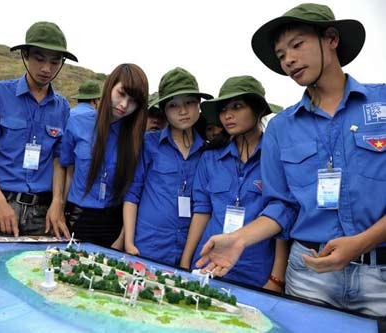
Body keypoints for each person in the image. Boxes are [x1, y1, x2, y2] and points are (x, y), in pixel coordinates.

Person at [196, 3, 386, 316]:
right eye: (281, 55)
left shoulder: (380, 104)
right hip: (309, 276)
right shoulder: (281, 129)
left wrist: (363, 242)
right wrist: (238, 239)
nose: (289, 60)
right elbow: (281, 206)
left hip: (379, 277)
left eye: (297, 45)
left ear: (332, 39)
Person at [180, 76, 288, 291]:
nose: (227, 116)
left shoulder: (278, 156)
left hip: (256, 271)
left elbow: (283, 217)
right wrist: (185, 262)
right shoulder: (210, 158)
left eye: (237, 107)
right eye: (223, 110)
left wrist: (277, 278)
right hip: (207, 264)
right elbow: (202, 211)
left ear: (258, 110)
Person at [0, 21, 77, 237]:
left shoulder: (62, 107)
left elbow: (59, 159)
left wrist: (58, 202)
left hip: (42, 213)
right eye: (39, 59)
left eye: (55, 62)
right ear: (26, 55)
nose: (47, 69)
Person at [124, 67, 212, 266]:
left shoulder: (208, 153)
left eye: (189, 102)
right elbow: (132, 194)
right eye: (173, 105)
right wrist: (129, 242)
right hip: (148, 245)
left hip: (188, 248)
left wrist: (187, 259)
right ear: (164, 110)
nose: (182, 111)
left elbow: (204, 206)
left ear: (199, 105)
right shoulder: (149, 143)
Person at [60, 63, 148, 249]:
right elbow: (67, 168)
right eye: (121, 94)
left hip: (113, 223)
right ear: (110, 86)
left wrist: (123, 237)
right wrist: (59, 210)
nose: (124, 105)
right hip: (78, 218)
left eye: (133, 101)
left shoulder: (136, 138)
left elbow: (131, 193)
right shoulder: (77, 122)